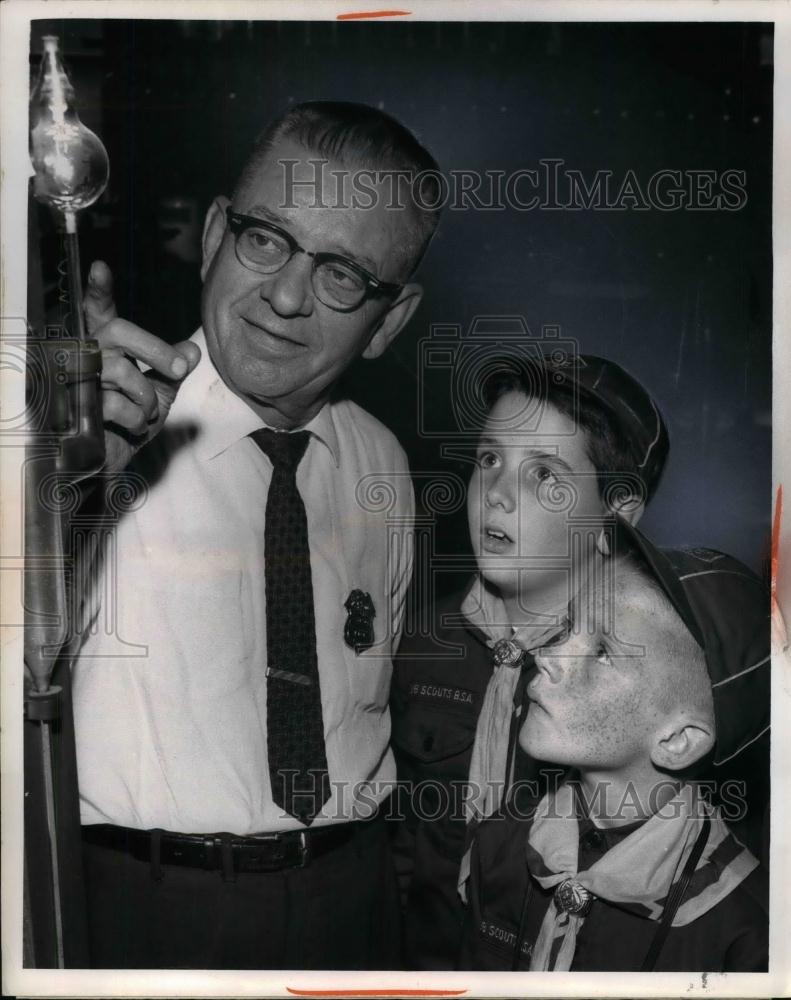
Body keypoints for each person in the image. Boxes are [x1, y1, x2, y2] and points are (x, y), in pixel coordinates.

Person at [71, 101, 440, 970]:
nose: (284, 295)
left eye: (342, 274)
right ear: (210, 237)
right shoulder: (86, 429)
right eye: (265, 238)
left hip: (352, 907)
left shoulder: (381, 466)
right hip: (143, 914)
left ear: (389, 320)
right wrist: (61, 489)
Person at [390, 353, 670, 969]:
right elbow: (398, 843)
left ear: (616, 515)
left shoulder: (647, 684)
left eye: (545, 474)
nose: (497, 495)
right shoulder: (419, 642)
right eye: (490, 459)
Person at [458, 519, 769, 972]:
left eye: (603, 650)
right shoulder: (498, 843)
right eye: (568, 628)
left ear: (679, 740)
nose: (545, 657)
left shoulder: (746, 936)